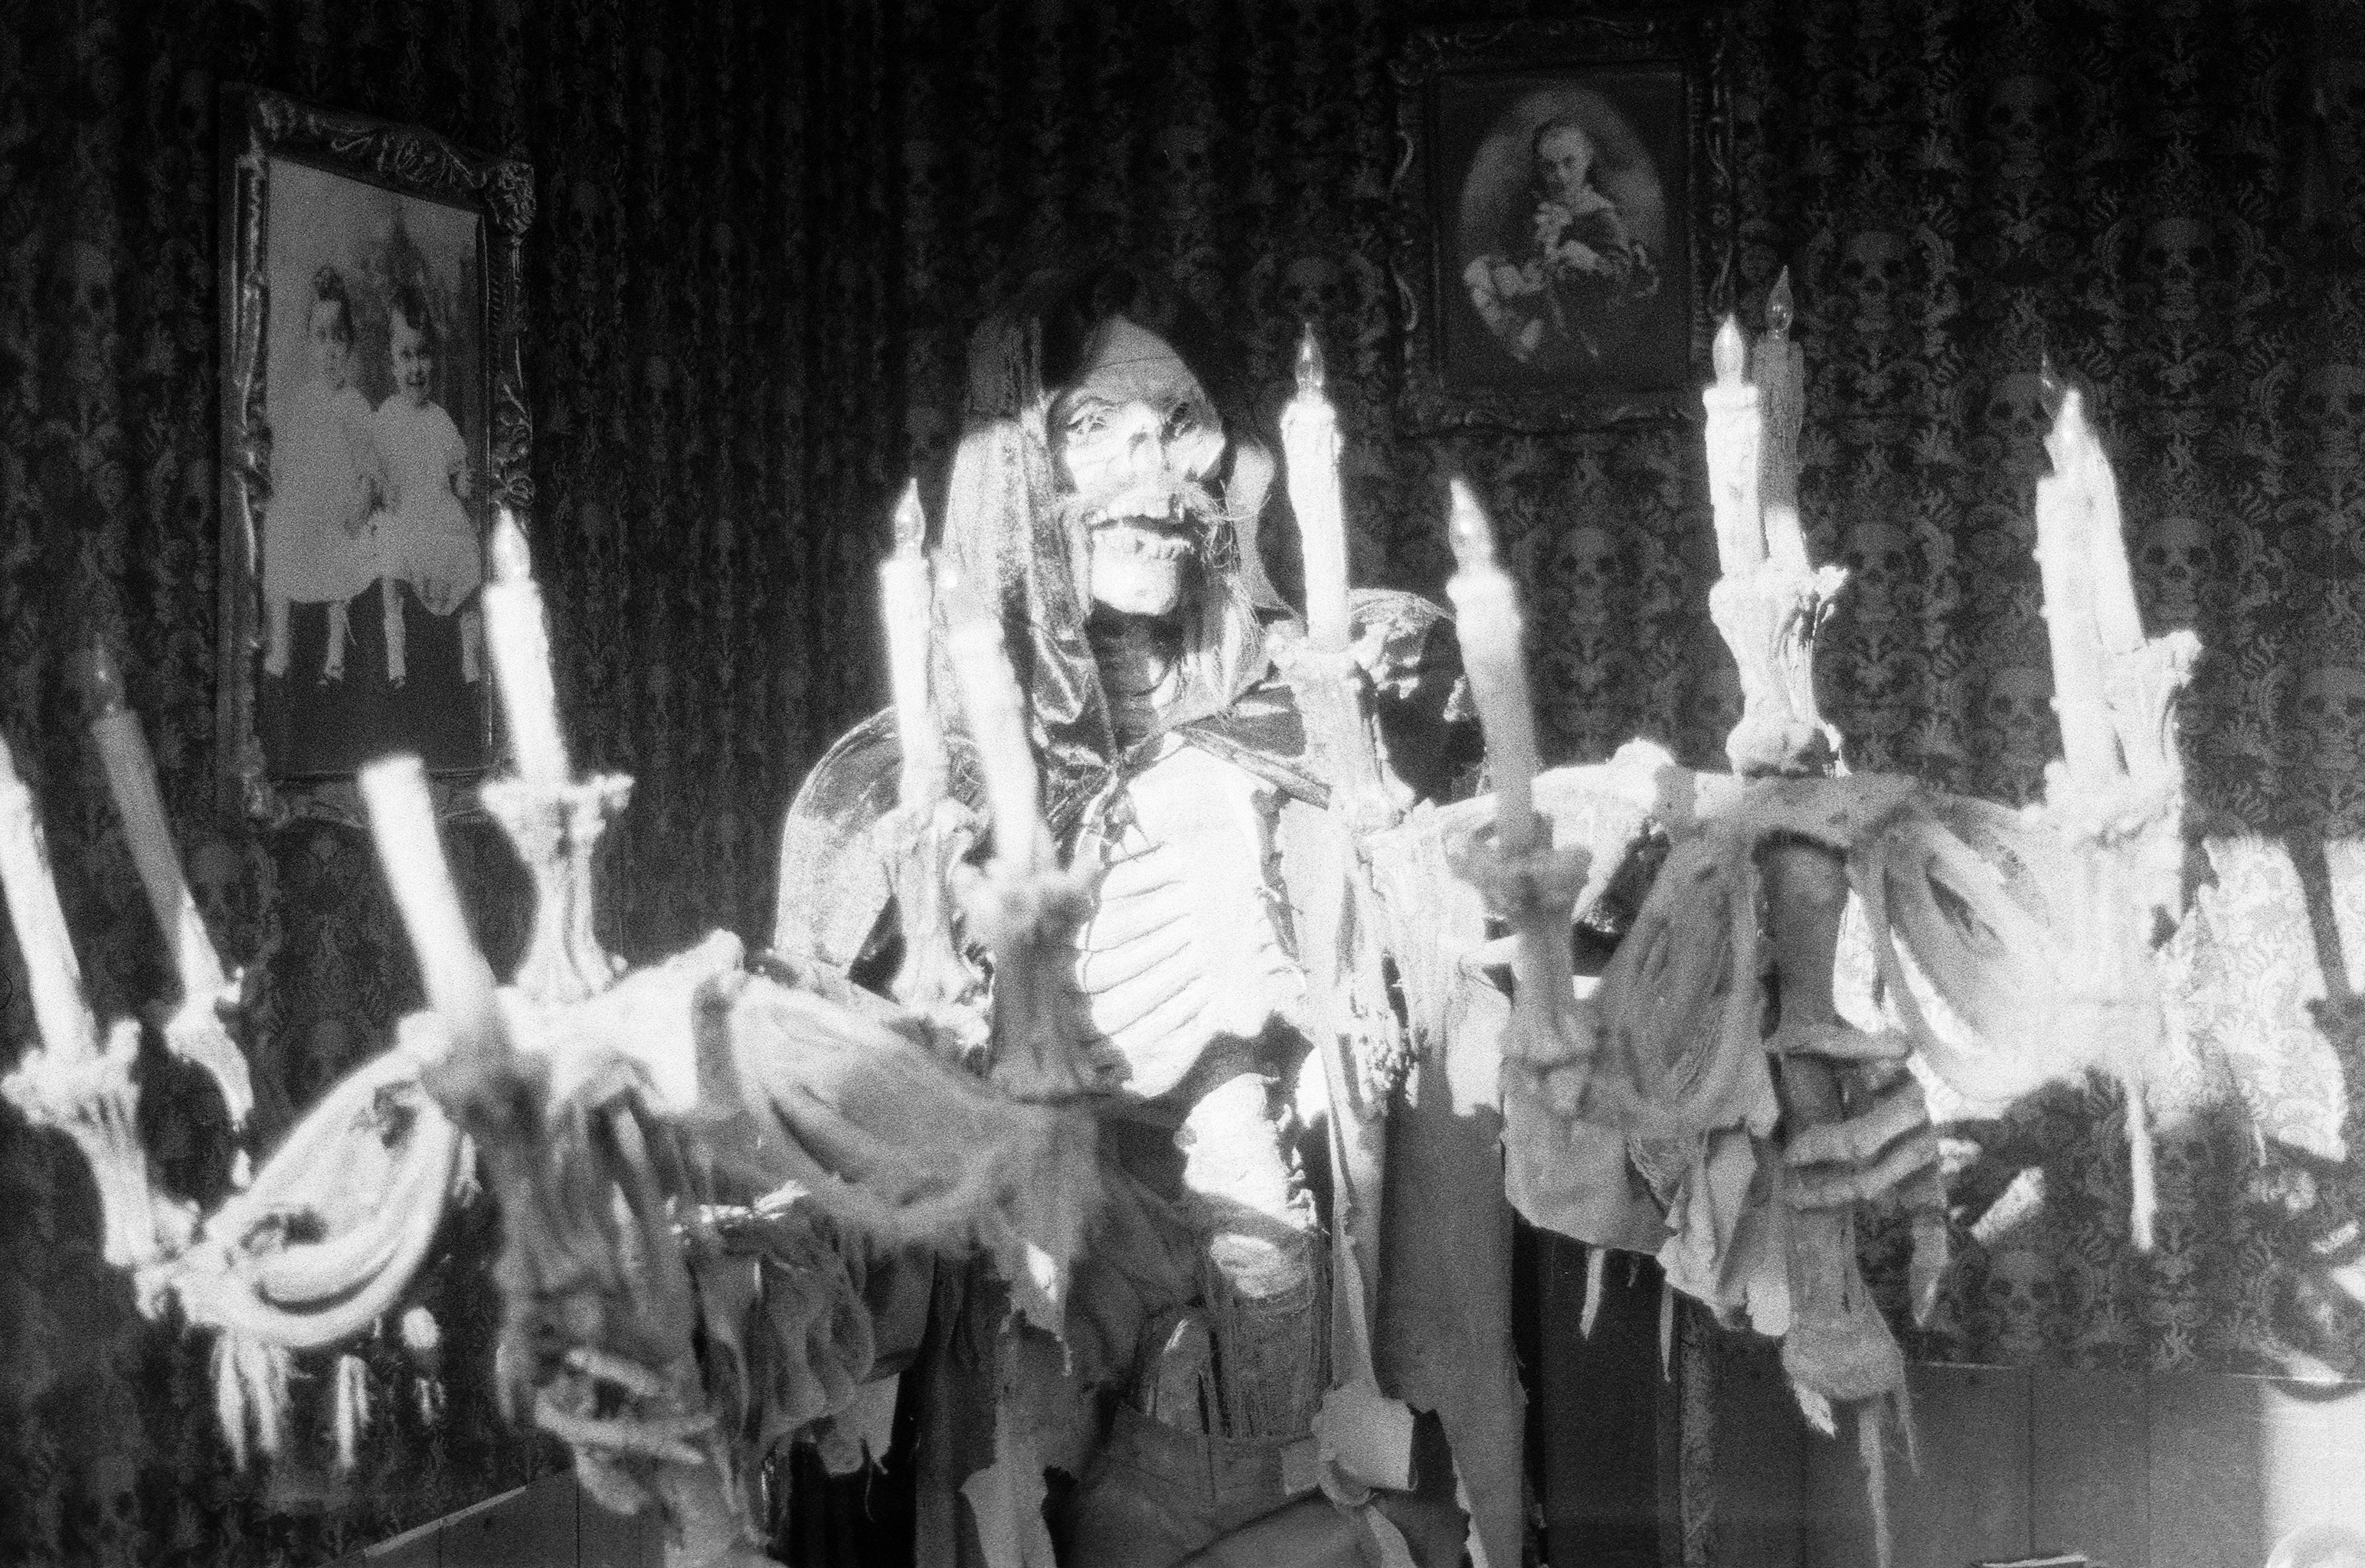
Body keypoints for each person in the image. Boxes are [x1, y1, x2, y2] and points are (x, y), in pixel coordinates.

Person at [770, 264, 1509, 1568]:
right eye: (1095, 427)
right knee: (1022, 1438)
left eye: (1180, 425)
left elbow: (1435, 971)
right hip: (1034, 1237)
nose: (1153, 472)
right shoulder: (905, 788)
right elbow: (844, 1087)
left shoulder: (1311, 719)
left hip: (1271, 1257)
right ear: (1019, 469)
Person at [262, 266, 384, 684]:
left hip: (340, 509)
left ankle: (335, 653)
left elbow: (369, 466)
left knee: (343, 551)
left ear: (350, 345)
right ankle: (280, 646)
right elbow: (285, 462)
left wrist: (362, 500)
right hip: (305, 507)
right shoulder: (301, 404)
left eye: (339, 338)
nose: (330, 350)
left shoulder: (356, 406)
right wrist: (281, 490)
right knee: (279, 532)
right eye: (321, 338)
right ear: (309, 343)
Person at [1464, 116, 1659, 367]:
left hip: (1573, 314)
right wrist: (1509, 268)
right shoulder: (1535, 205)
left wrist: (1587, 260)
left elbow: (1618, 275)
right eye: (1549, 167)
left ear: (1587, 159)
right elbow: (1507, 245)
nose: (1561, 176)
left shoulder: (1601, 216)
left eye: (1569, 162)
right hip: (1528, 295)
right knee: (1479, 279)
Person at [371, 283, 483, 688]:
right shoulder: (386, 416)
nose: (416, 368)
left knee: (469, 558)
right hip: (403, 514)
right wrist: (381, 484)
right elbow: (372, 463)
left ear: (433, 359)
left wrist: (464, 481)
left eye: (423, 355)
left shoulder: (440, 420)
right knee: (391, 562)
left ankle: (471, 658)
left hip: (437, 513)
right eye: (406, 356)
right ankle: (396, 656)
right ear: (392, 363)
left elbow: (458, 472)